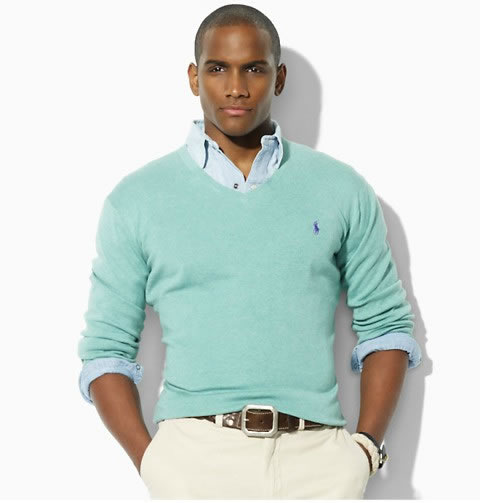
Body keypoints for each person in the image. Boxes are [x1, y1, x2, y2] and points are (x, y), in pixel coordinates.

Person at [77, 3, 422, 499]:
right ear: (194, 77)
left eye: (254, 69)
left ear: (279, 78)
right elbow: (106, 349)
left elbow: (386, 324)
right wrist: (152, 462)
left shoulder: (341, 189)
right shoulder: (136, 200)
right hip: (193, 460)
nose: (235, 87)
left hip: (318, 461)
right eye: (218, 68)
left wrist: (364, 450)